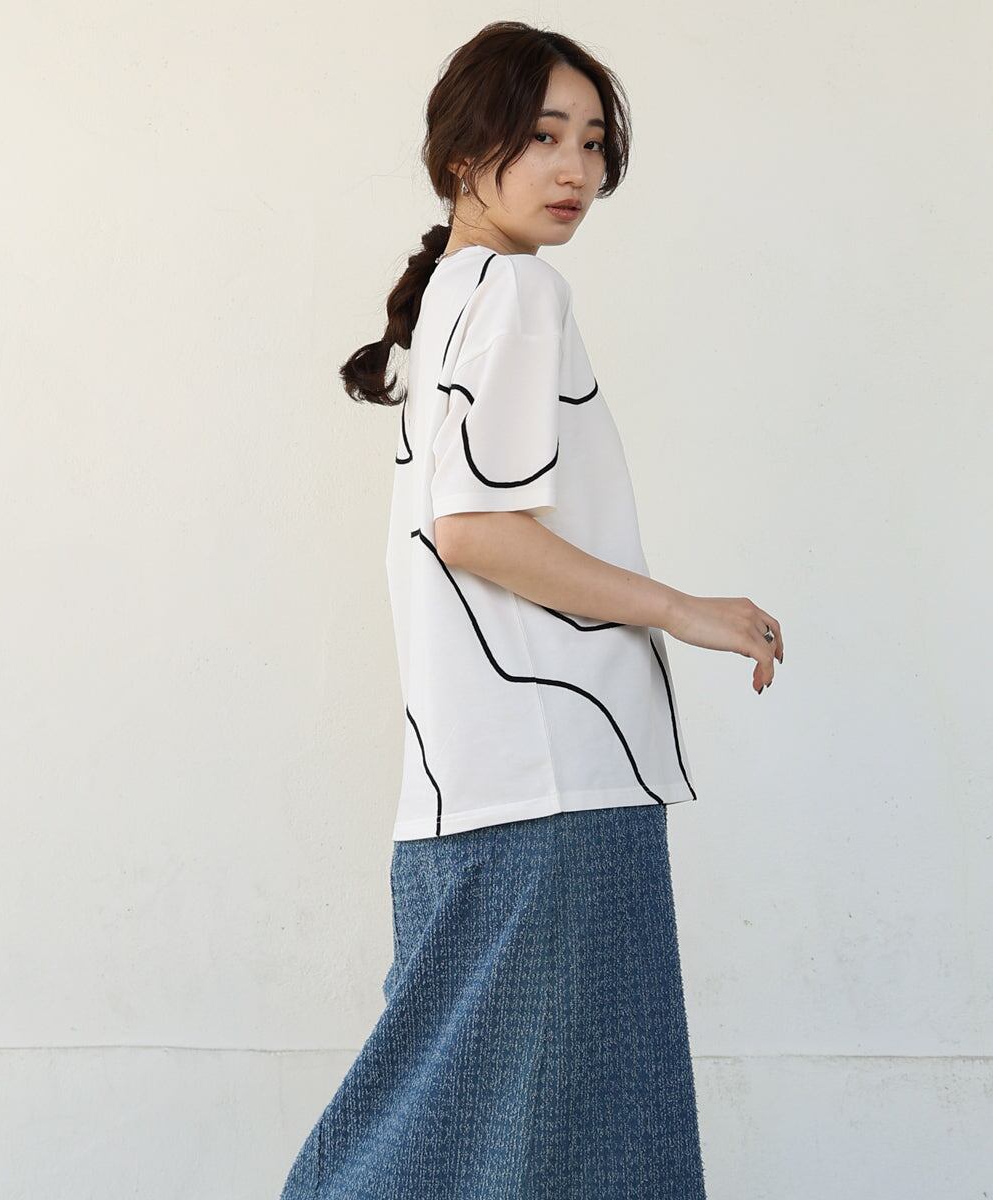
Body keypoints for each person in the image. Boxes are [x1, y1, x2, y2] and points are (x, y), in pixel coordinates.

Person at [279, 19, 783, 1200]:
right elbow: (479, 532)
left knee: (523, 1134)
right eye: (544, 135)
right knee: (569, 1136)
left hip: (481, 783)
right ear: (465, 154)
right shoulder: (513, 290)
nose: (575, 170)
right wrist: (683, 611)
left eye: (593, 143)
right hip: (554, 784)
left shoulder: (454, 296)